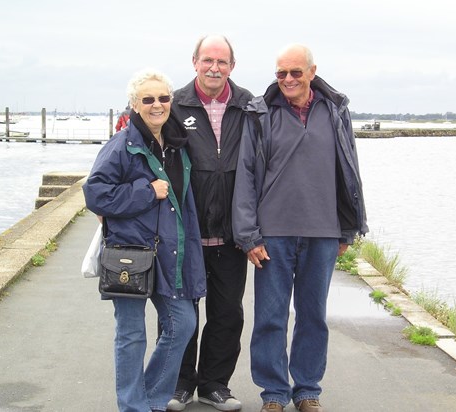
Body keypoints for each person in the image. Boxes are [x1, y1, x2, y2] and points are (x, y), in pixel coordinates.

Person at [232, 44, 368, 412]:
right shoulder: (260, 114)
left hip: (323, 232)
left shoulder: (335, 110)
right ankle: (274, 393)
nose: (288, 79)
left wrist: (348, 228)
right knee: (270, 318)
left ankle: (307, 389)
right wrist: (248, 236)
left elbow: (348, 169)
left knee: (313, 316)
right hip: (272, 234)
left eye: (295, 72)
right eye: (281, 74)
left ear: (312, 71)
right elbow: (245, 175)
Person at [83, 69, 207, 412]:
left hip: (169, 254)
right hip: (130, 255)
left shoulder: (178, 146)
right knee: (131, 335)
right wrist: (145, 191)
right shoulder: (122, 145)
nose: (157, 105)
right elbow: (95, 194)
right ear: (135, 105)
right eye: (148, 99)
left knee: (183, 324)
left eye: (163, 98)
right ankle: (132, 406)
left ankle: (150, 399)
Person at [166, 34, 254, 412]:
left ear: (232, 65)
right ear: (194, 62)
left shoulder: (250, 105)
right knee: (181, 314)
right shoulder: (173, 104)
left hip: (232, 235)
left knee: (227, 313)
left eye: (222, 61)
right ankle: (180, 384)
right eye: (207, 60)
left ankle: (214, 385)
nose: (214, 68)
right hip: (186, 233)